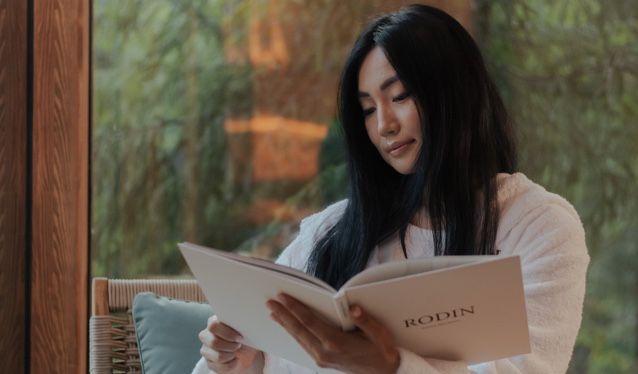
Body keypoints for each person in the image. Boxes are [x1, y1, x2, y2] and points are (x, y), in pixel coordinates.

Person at [193, 4, 589, 374]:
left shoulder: (538, 225)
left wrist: (390, 365)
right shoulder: (331, 233)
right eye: (368, 108)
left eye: (399, 96)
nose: (384, 125)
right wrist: (244, 363)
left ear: (454, 93)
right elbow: (261, 355)